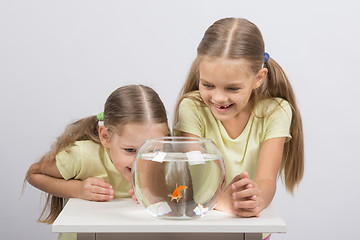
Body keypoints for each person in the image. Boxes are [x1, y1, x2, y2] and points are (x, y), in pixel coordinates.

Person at [173, 17, 304, 225]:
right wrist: (222, 202)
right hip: (202, 223)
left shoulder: (276, 111)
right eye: (207, 85)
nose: (218, 98)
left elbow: (267, 180)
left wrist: (255, 198)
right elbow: (199, 180)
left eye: (232, 88)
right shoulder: (192, 107)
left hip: (248, 225)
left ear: (258, 78)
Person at [26, 85, 170, 240]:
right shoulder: (83, 155)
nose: (139, 161)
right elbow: (33, 174)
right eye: (130, 150)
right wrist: (78, 189)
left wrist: (156, 191)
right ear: (106, 138)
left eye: (151, 150)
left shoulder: (167, 157)